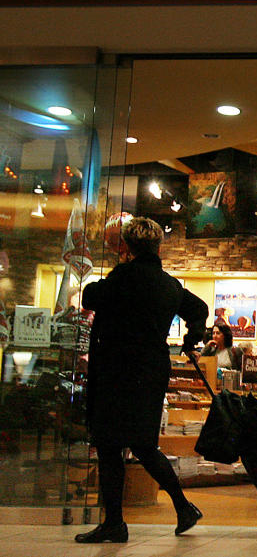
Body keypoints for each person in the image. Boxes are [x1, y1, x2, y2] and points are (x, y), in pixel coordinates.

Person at [76, 217, 208, 543]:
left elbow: (90, 296)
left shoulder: (121, 278)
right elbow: (200, 309)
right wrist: (192, 340)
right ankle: (182, 507)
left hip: (114, 373)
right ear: (158, 246)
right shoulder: (168, 285)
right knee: (144, 445)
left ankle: (115, 523)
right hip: (150, 372)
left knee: (109, 446)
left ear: (127, 246)